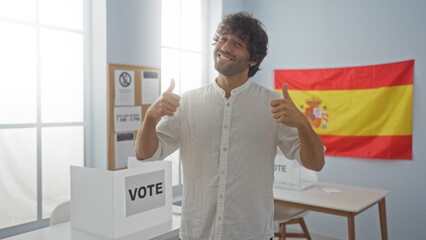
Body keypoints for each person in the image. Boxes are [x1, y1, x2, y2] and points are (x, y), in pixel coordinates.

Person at [135, 11, 324, 240]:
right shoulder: (188, 102)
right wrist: (150, 118)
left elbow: (315, 163)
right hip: (197, 232)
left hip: (251, 232)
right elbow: (145, 154)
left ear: (253, 59)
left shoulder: (273, 104)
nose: (225, 46)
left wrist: (304, 125)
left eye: (237, 43)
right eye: (223, 38)